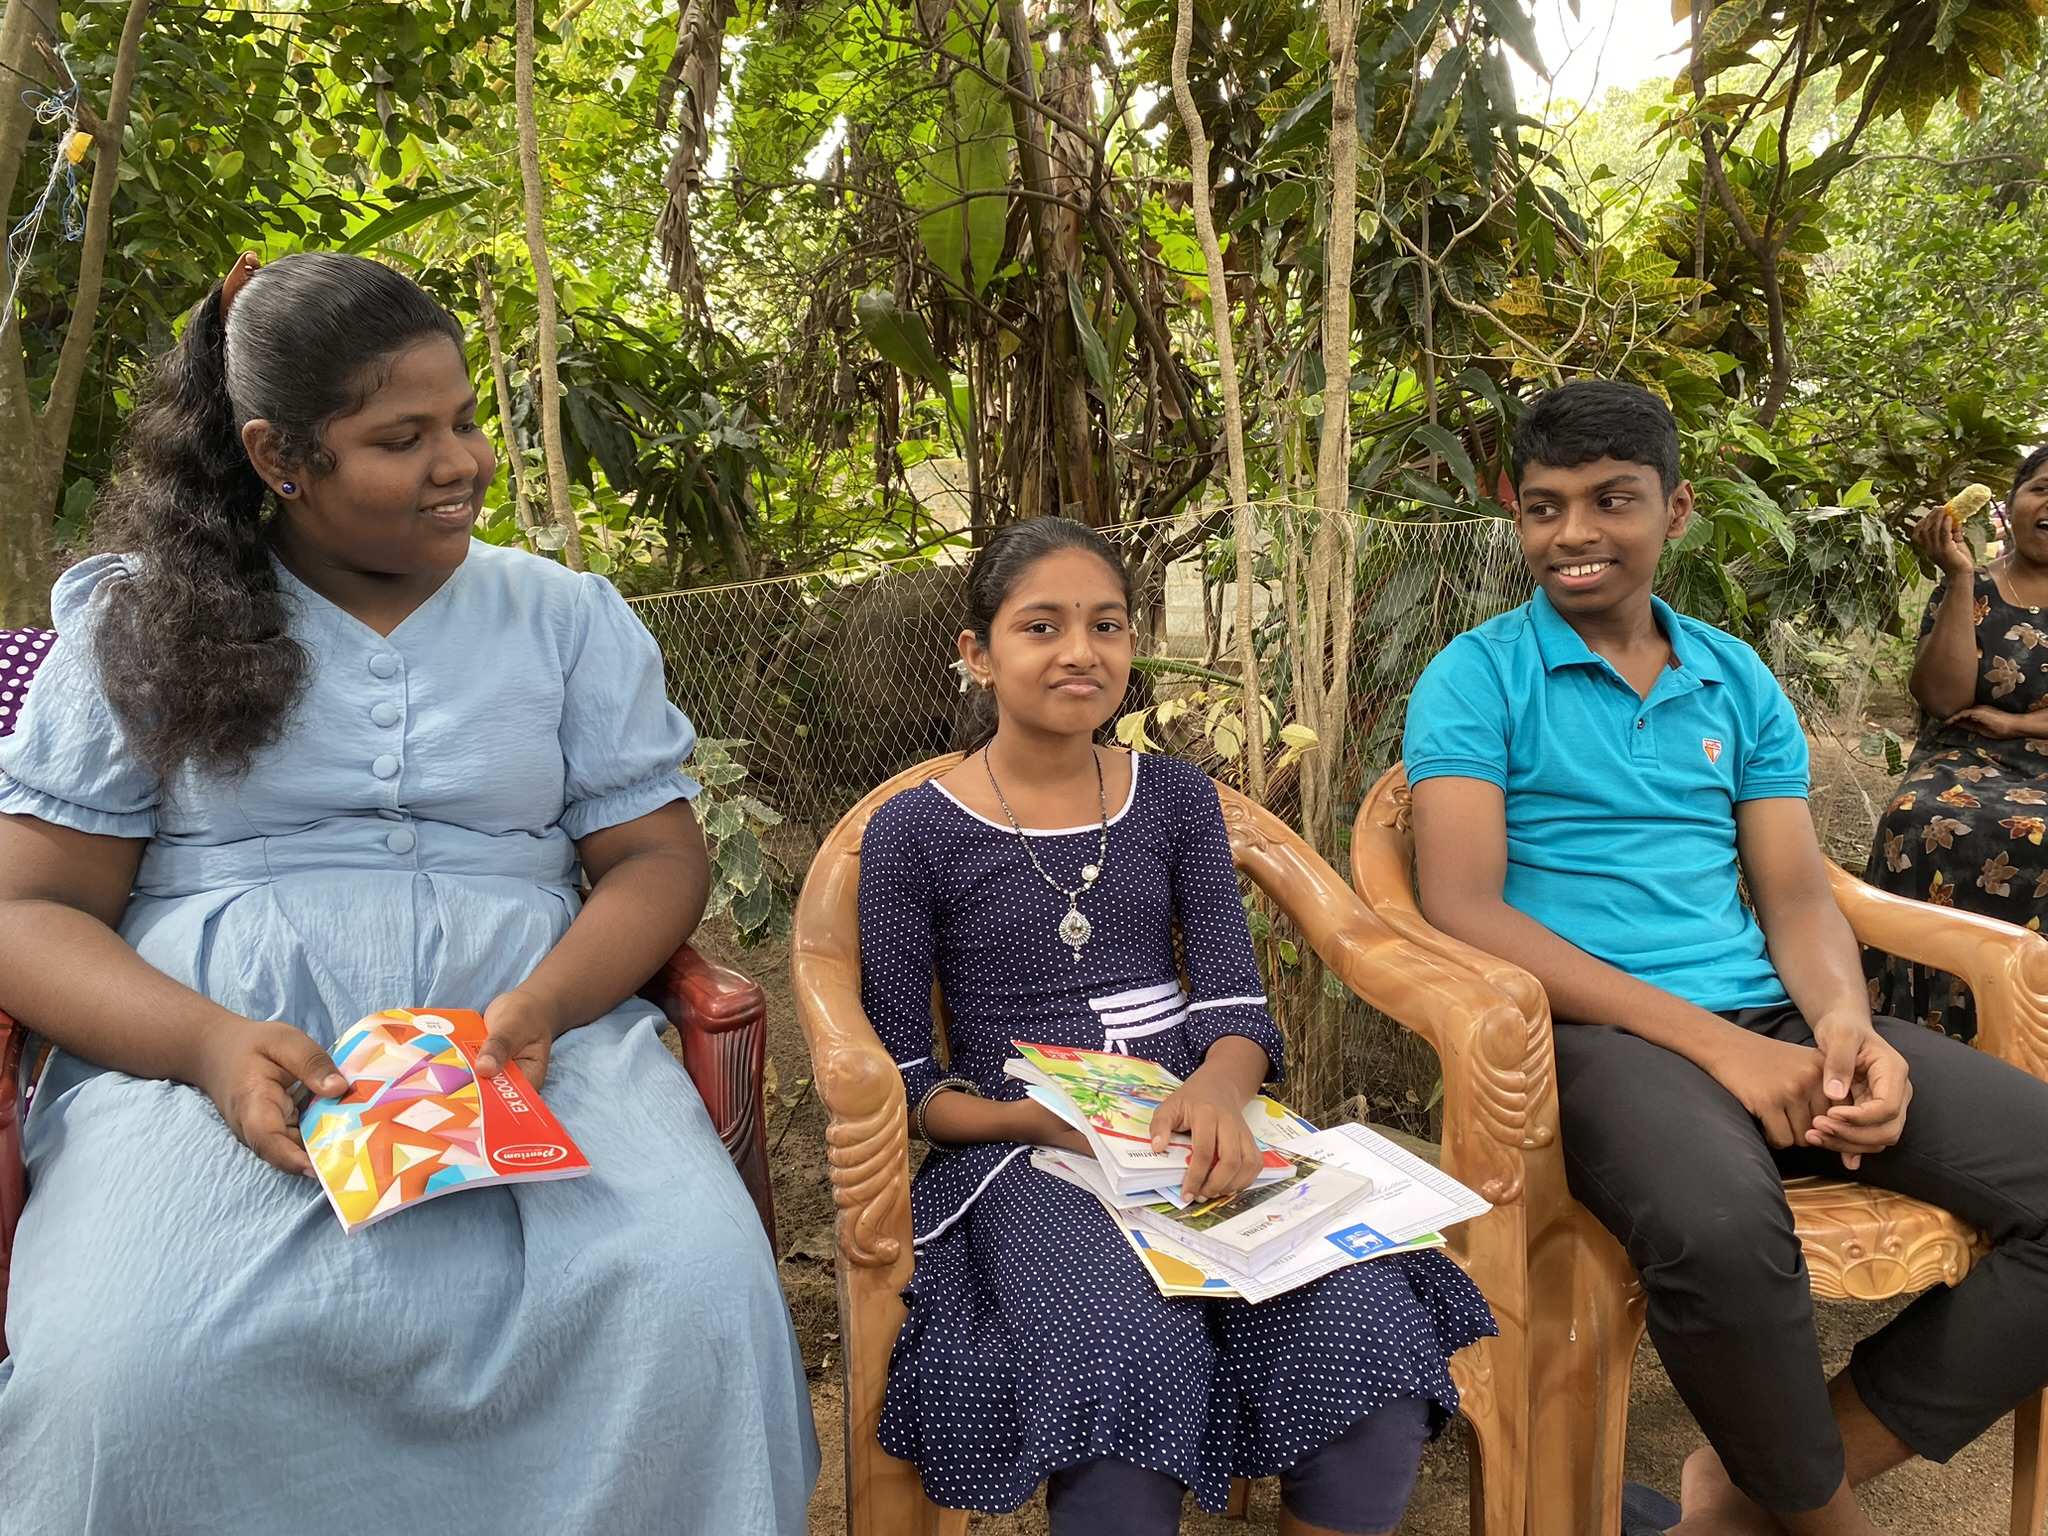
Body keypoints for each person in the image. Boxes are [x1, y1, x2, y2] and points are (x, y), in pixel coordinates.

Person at [0, 252, 817, 1534]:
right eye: (403, 437)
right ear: (279, 456)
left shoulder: (564, 619)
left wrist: (550, 1004)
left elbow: (655, 858)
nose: (463, 462)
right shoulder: (143, 625)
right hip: (208, 1062)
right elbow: (29, 910)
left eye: (464, 419)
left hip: (540, 1042)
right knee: (137, 1367)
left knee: (689, 1301)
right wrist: (207, 1046)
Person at [1402, 381, 2048, 1536]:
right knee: (1717, 1229)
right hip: (1590, 1040)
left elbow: (1795, 895)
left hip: (1769, 1018)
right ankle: (1822, 1521)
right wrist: (1717, 1051)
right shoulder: (1476, 675)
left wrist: (1843, 1028)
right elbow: (1462, 906)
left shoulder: (1730, 676)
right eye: (1544, 507)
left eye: (1611, 500)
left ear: (1676, 509)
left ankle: (1757, 1489)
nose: (1572, 533)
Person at [857, 516, 1494, 1536]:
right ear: (977, 653)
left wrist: (1218, 1092)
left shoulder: (1174, 798)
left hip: (1208, 1137)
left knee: (1364, 1332)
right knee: (1120, 1352)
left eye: (1106, 625)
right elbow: (912, 1086)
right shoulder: (914, 831)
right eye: (1040, 627)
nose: (1079, 651)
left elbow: (1235, 1008)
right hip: (1030, 1158)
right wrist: (1042, 1123)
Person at [1862, 445, 2048, 1038]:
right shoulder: (1973, 585)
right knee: (1918, 819)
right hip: (1964, 754)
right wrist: (1961, 577)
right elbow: (1943, 700)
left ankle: (2026, 1032)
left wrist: (2018, 724)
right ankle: (1910, 1025)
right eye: (2042, 488)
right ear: (2010, 504)